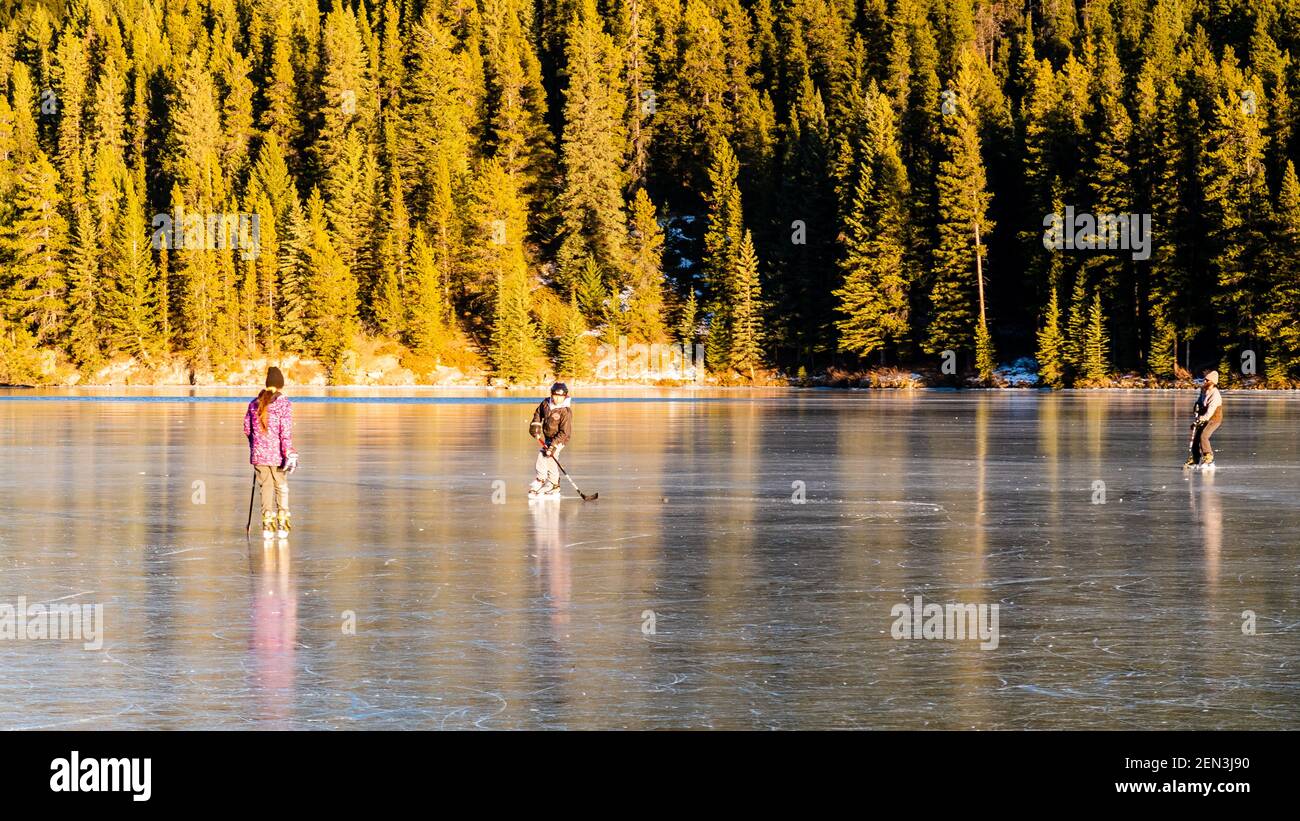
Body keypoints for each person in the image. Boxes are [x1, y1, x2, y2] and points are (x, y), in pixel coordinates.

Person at [244, 367, 300, 537]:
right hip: (278, 455)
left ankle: (268, 523)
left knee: (266, 487)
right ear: (281, 385)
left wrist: (255, 445)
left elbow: (247, 429)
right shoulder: (283, 403)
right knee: (281, 486)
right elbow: (285, 432)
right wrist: (289, 452)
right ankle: (283, 521)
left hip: (259, 454)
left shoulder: (254, 403)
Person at [529, 382, 572, 499]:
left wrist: (553, 446)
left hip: (560, 439)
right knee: (551, 459)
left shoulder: (565, 411)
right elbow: (538, 413)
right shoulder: (546, 403)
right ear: (552, 394)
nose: (557, 399)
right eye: (555, 396)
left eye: (561, 397)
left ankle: (541, 479)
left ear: (565, 396)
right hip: (548, 437)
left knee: (544, 455)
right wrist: (535, 424)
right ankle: (554, 484)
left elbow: (564, 432)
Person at [1186, 369, 1223, 469]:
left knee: (1204, 435)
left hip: (1214, 419)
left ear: (1213, 382)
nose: (1205, 382)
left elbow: (1210, 411)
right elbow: (1199, 401)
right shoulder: (1203, 390)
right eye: (1205, 380)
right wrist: (1196, 406)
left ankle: (1208, 458)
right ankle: (1195, 458)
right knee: (1196, 436)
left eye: (1207, 380)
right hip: (1204, 416)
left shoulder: (1215, 395)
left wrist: (1202, 418)